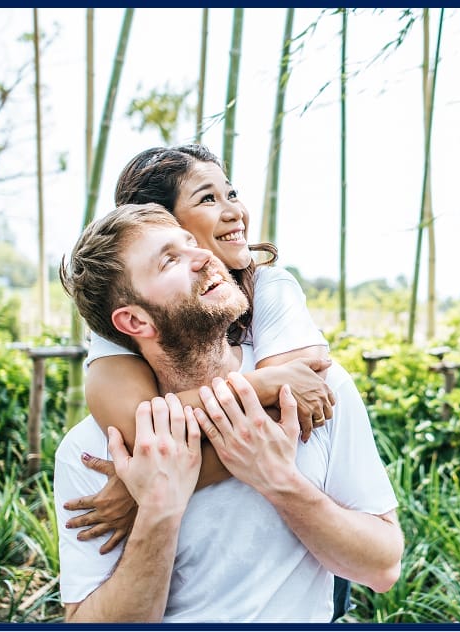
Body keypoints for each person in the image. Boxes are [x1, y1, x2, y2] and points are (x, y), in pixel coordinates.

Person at [55, 203, 402, 622]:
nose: (204, 256)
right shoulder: (92, 448)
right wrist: (159, 510)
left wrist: (280, 481)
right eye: (170, 261)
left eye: (191, 243)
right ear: (134, 320)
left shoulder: (311, 389)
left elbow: (382, 567)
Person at [64, 143, 334, 549]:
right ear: (157, 222)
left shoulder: (270, 288)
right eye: (208, 199)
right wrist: (260, 385)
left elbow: (293, 416)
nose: (235, 212)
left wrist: (147, 492)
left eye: (232, 193)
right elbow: (138, 429)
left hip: (305, 544)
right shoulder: (126, 317)